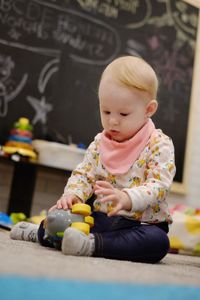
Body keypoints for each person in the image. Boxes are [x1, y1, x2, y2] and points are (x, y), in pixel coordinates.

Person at [10, 56, 176, 263]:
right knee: (66, 221)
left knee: (158, 243)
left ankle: (90, 244)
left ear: (149, 110)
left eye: (123, 114)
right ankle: (40, 232)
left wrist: (127, 198)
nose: (112, 121)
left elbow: (159, 185)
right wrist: (73, 195)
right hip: (101, 220)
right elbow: (84, 174)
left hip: (141, 224)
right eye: (105, 111)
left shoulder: (159, 144)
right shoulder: (100, 142)